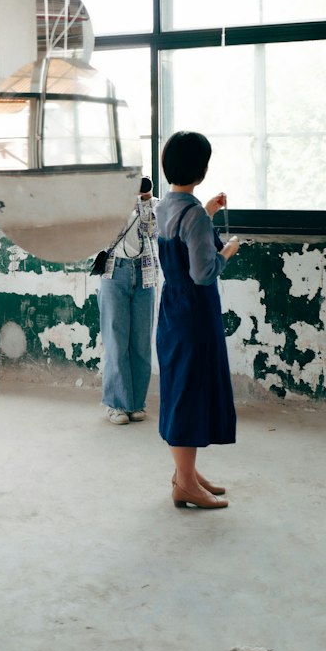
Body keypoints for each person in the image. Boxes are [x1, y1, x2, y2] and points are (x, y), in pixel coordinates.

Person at [155, 132, 241, 509]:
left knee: (180, 386)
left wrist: (206, 212)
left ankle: (185, 474)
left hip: (172, 307)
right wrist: (228, 251)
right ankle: (186, 483)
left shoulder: (164, 207)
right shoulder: (195, 218)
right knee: (191, 391)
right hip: (196, 311)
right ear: (202, 170)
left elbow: (182, 233)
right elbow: (204, 272)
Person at [98, 176, 157, 426]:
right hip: (115, 272)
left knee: (141, 342)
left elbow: (153, 231)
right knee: (116, 341)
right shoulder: (106, 203)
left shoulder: (154, 204)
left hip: (145, 274)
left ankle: (135, 404)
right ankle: (116, 404)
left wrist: (144, 201)